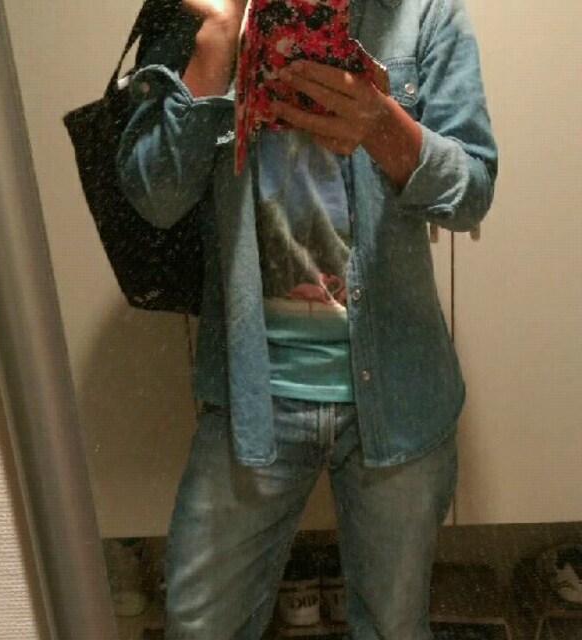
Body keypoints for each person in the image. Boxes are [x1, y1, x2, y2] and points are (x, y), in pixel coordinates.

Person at [117, 0, 498, 637]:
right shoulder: (203, 14)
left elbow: (472, 192)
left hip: (398, 388)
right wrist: (216, 42)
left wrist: (382, 126)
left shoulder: (423, 13)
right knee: (199, 625)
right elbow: (155, 198)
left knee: (395, 627)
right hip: (250, 391)